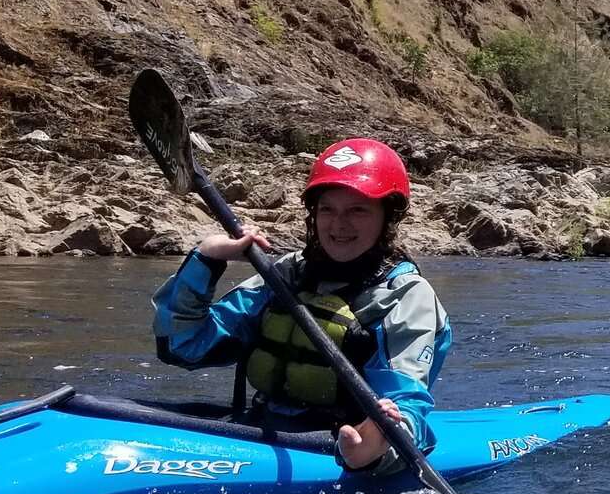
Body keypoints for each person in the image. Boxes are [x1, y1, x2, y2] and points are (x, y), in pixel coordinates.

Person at [152, 137, 452, 471]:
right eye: (327, 209)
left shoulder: (405, 296)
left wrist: (377, 448)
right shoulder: (287, 274)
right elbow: (184, 346)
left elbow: (405, 399)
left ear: (387, 217)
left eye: (357, 210)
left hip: (342, 445)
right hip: (263, 428)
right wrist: (206, 261)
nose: (339, 225)